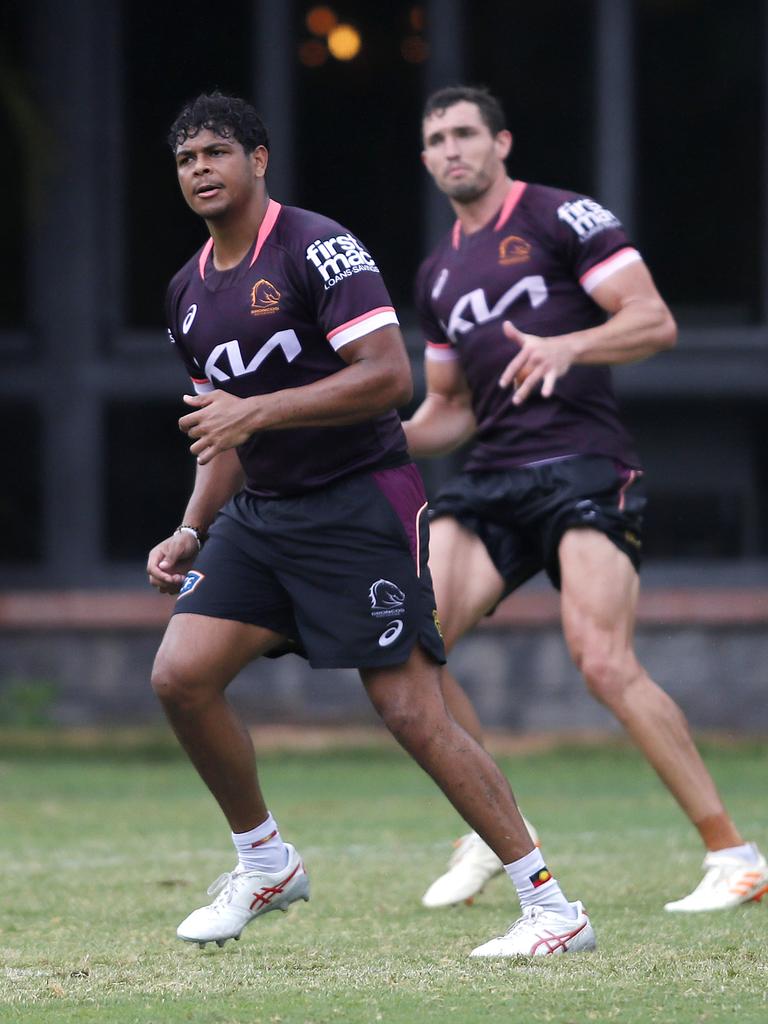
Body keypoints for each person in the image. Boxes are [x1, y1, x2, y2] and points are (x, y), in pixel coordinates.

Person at [146, 91, 596, 958]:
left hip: (359, 500)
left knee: (411, 712)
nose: (200, 170)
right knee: (180, 676)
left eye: (215, 153)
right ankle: (265, 860)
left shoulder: (317, 245)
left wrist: (256, 413)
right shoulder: (185, 294)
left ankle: (551, 907)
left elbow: (389, 378)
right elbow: (224, 432)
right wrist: (192, 528)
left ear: (258, 159)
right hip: (263, 514)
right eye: (185, 159)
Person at [405, 85, 768, 914]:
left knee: (602, 660)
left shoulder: (562, 218)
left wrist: (572, 343)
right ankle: (496, 832)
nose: (452, 149)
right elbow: (449, 410)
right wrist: (365, 437)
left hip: (583, 463)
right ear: (426, 160)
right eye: (437, 140)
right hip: (493, 473)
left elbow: (652, 320)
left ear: (501, 143)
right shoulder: (436, 273)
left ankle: (735, 855)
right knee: (410, 646)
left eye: (466, 133)